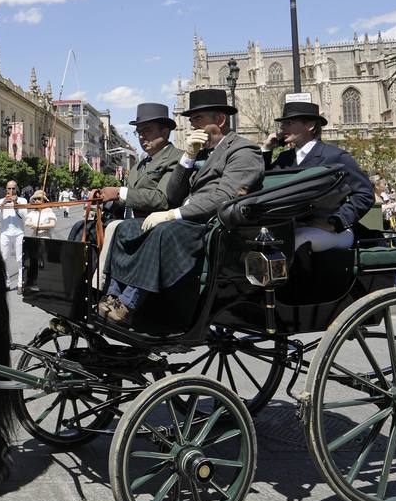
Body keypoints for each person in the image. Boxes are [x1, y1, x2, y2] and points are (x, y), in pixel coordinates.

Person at [99, 89, 264, 327]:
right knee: (127, 228)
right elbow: (174, 194)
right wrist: (187, 157)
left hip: (211, 224)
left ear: (219, 120)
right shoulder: (204, 153)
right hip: (189, 219)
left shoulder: (243, 150)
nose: (192, 126)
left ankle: (128, 304)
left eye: (198, 119)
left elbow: (224, 197)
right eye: (191, 120)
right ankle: (112, 295)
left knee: (162, 231)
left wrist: (172, 214)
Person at [261, 101, 375, 253]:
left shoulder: (336, 156)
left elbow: (365, 194)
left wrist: (335, 222)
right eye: (283, 123)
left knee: (290, 243)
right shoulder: (285, 158)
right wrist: (266, 149)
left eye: (289, 122)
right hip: (291, 227)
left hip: (334, 231)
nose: (283, 128)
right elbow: (263, 185)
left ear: (310, 126)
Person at [92, 103, 185, 223]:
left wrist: (119, 192)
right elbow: (129, 202)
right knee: (83, 228)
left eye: (147, 130)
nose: (141, 136)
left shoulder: (177, 158)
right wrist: (105, 200)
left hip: (155, 226)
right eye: (138, 132)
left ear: (165, 132)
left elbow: (162, 199)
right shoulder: (137, 167)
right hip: (128, 223)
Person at [0, 180, 28, 290]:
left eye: (13, 188)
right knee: (4, 258)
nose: (11, 191)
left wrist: (16, 204)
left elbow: (25, 216)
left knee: (20, 259)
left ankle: (20, 283)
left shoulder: (22, 200)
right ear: (6, 189)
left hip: (19, 233)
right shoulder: (0, 201)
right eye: (9, 188)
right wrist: (2, 205)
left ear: (16, 189)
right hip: (5, 233)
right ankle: (7, 282)